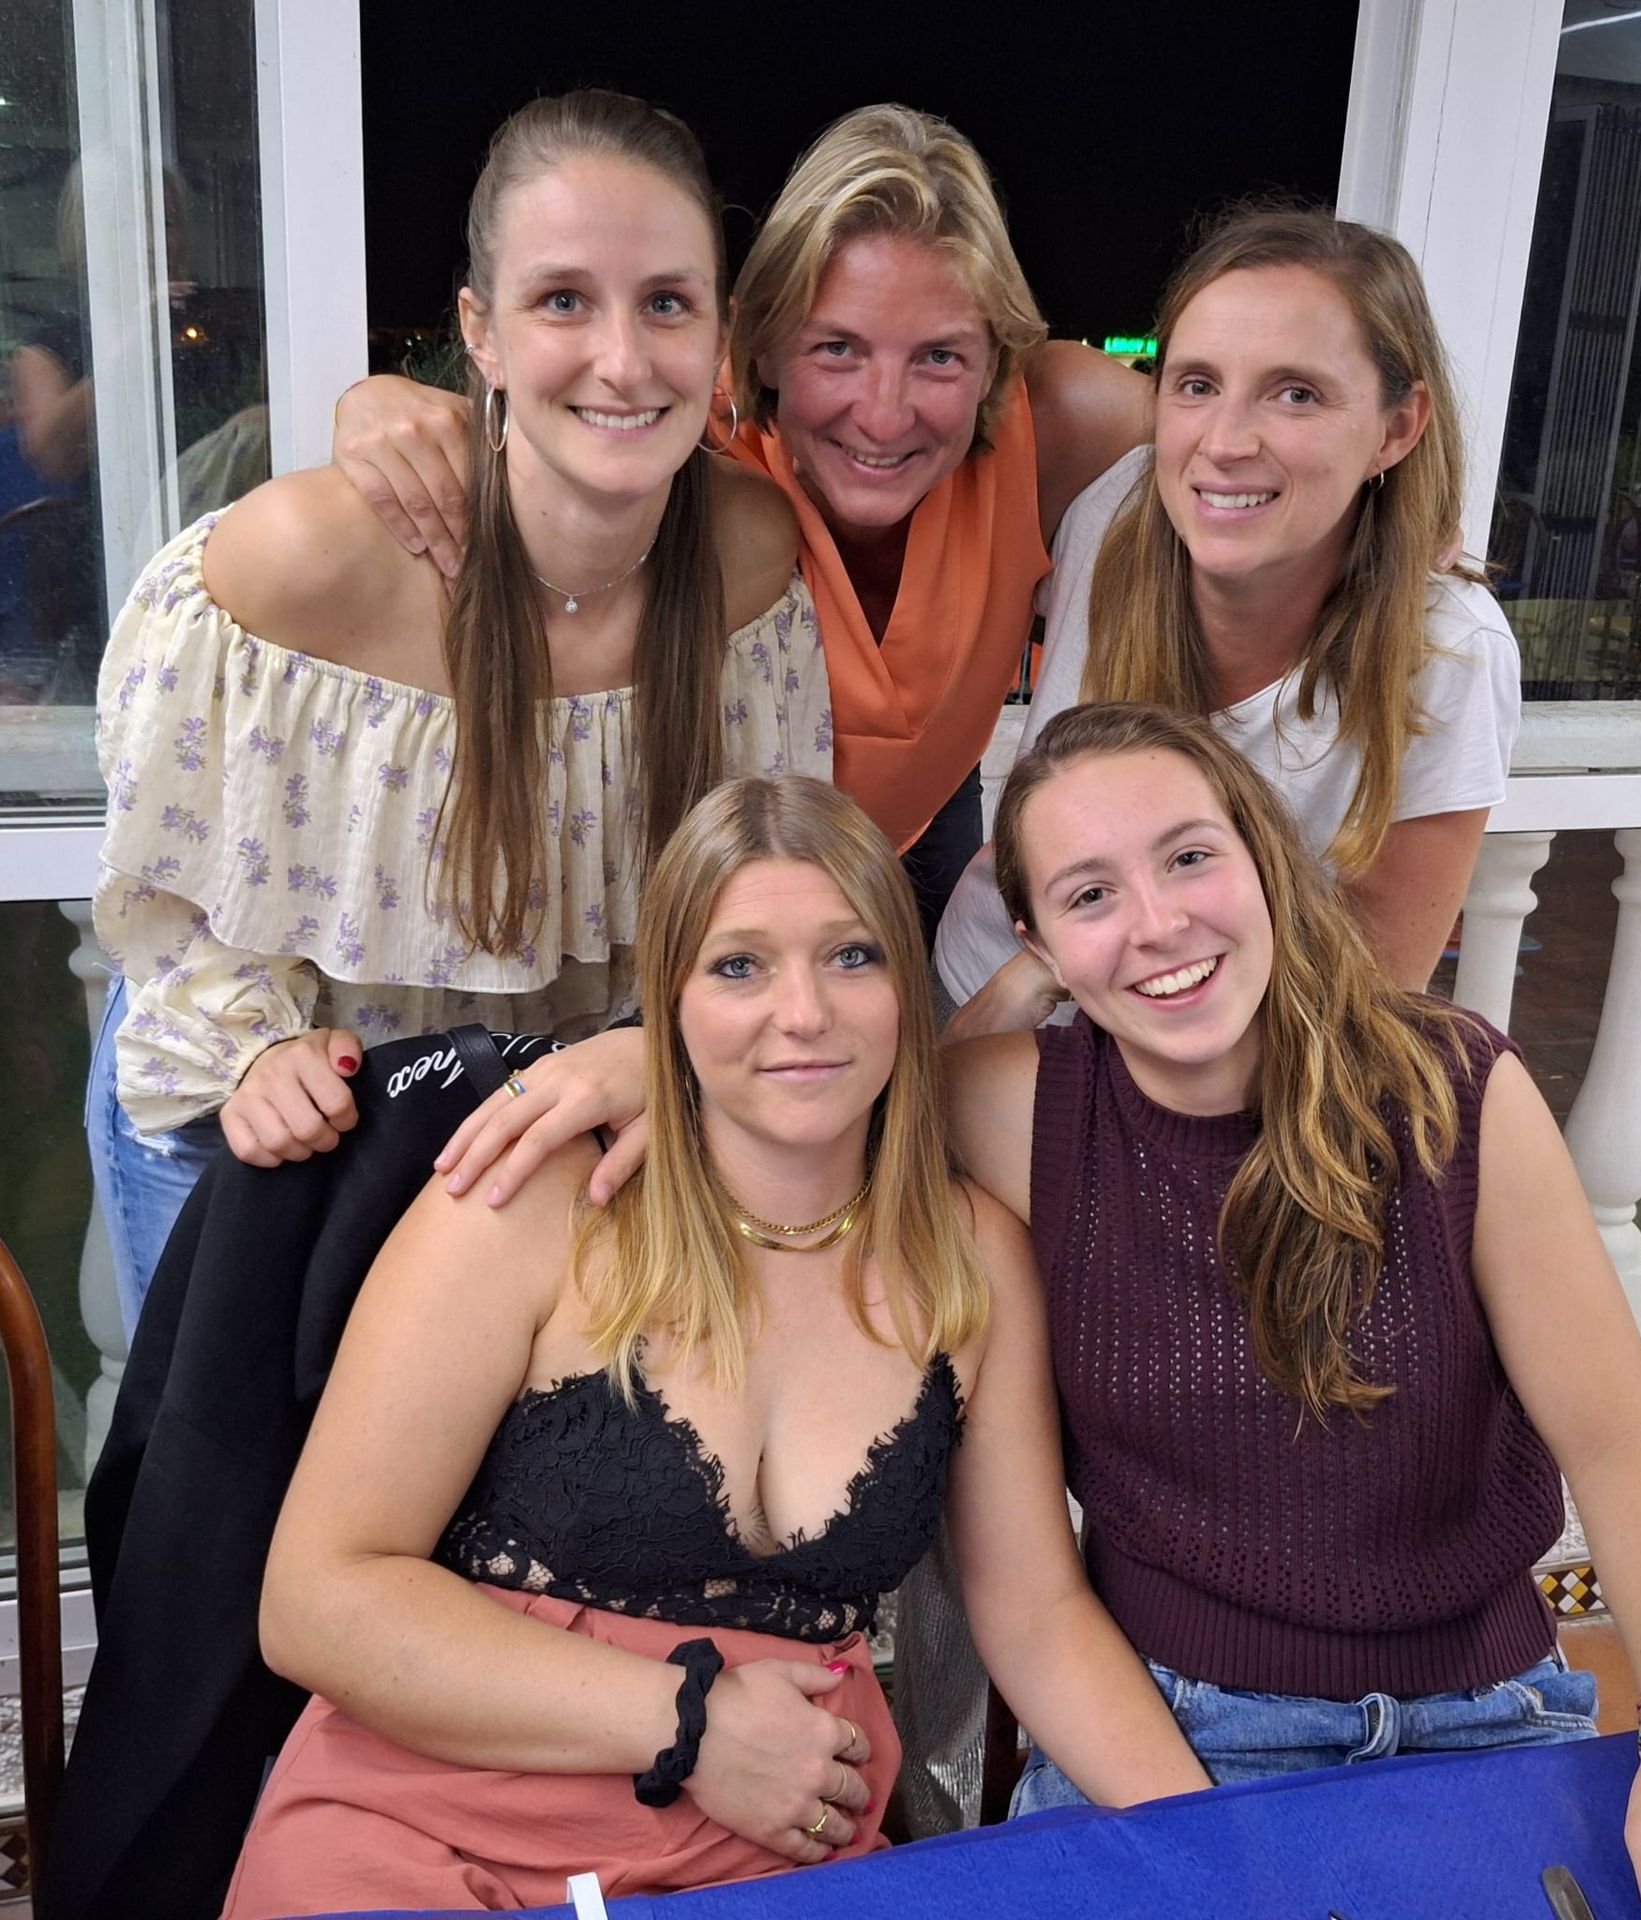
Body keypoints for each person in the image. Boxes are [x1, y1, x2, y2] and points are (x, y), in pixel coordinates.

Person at [219, 775, 1207, 1918]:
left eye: (851, 957)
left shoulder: (969, 1258)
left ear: (904, 984)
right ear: (668, 1004)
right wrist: (687, 1721)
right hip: (428, 1828)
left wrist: (1224, 1853)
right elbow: (318, 1600)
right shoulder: (532, 1208)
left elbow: (1035, 1616)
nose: (804, 1013)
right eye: (740, 966)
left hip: (769, 1849)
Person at [88, 90, 832, 1337]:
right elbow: (167, 871)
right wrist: (253, 1054)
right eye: (562, 301)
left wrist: (669, 1054)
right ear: (479, 331)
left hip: (533, 1128)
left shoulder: (749, 560)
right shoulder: (302, 558)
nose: (621, 359)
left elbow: (763, 880)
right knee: (221, 1461)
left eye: (665, 302)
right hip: (257, 1113)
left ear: (720, 333)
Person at [943, 701, 1641, 1912]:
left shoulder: (1448, 1093)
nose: (1158, 921)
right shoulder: (1016, 1109)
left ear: (1263, 859)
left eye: (1189, 857)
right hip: (1168, 1728)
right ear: (1035, 942)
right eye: (1089, 894)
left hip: (1485, 1716)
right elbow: (795, 1094)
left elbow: (1621, 1438)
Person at [333, 102, 1154, 940]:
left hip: (932, 812)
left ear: (994, 363)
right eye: (835, 348)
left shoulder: (1056, 424)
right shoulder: (686, 434)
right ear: (757, 345)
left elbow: (1218, 425)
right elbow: (558, 429)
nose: (882, 416)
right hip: (725, 866)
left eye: (940, 355)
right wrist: (378, 404)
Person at [935, 204, 1520, 1029]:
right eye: (1198, 384)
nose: (1225, 441)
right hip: (980, 995)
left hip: (1221, 1066)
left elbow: (1373, 997)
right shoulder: (1108, 507)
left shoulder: (1444, 650)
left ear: (1396, 428)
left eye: (1295, 394)